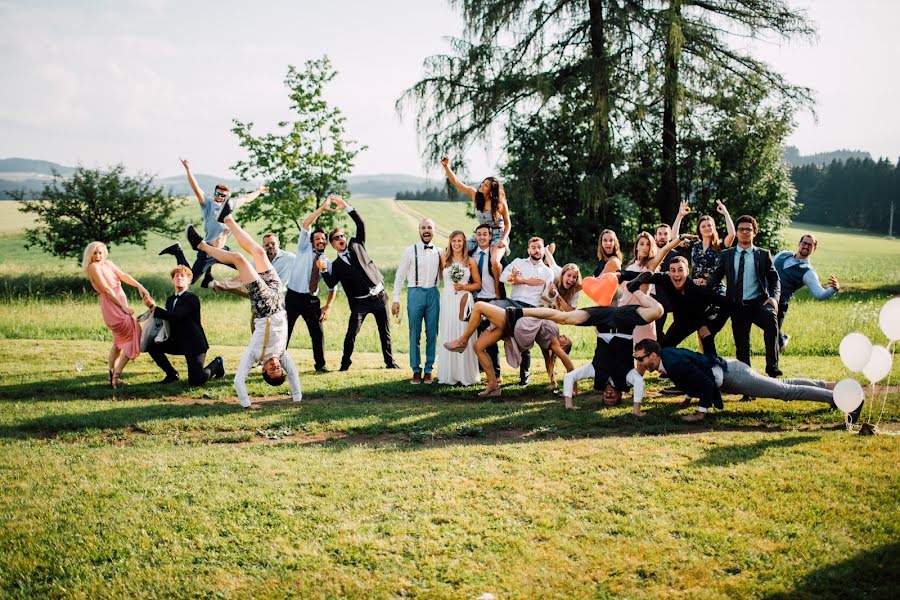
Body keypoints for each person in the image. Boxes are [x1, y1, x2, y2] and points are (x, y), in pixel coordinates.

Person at [184, 204, 301, 409]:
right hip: (278, 297)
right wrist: (297, 398)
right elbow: (293, 375)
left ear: (263, 370)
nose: (275, 365)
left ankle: (201, 246)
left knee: (239, 259)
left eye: (271, 370)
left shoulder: (253, 354)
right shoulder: (282, 354)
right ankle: (227, 218)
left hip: (264, 306)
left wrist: (247, 404)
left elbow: (239, 380)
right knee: (259, 252)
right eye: (277, 369)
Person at [633, 339, 860, 423]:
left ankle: (843, 400)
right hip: (731, 369)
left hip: (734, 377)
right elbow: (693, 372)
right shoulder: (669, 357)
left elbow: (703, 382)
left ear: (653, 356)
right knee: (785, 385)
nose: (640, 363)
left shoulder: (672, 363)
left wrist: (700, 412)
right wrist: (687, 398)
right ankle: (827, 386)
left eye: (641, 359)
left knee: (785, 392)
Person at [320, 195, 400, 371]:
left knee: (384, 332)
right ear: (333, 244)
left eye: (342, 235)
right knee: (351, 334)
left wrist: (346, 207)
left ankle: (390, 363)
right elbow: (332, 283)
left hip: (379, 296)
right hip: (360, 302)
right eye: (336, 238)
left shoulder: (357, 244)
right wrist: (324, 270)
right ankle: (344, 365)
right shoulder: (337, 265)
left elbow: (361, 224)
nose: (341, 239)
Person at [158, 157, 267, 287]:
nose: (220, 197)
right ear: (214, 193)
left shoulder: (229, 206)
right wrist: (188, 169)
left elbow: (246, 199)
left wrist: (259, 191)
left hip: (223, 251)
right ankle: (177, 251)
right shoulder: (208, 204)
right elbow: (196, 188)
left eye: (223, 195)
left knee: (244, 267)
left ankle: (209, 278)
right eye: (218, 194)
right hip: (208, 252)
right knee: (190, 280)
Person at [443, 302, 575, 398]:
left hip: (516, 323)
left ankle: (462, 341)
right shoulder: (550, 345)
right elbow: (549, 362)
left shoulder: (554, 342)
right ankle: (493, 386)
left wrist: (574, 387)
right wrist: (553, 382)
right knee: (478, 347)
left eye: (566, 340)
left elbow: (567, 362)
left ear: (563, 348)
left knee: (479, 306)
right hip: (518, 325)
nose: (564, 336)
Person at [705, 214, 782, 378]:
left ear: (754, 232)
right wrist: (703, 284)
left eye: (748, 229)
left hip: (759, 303)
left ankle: (772, 366)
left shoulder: (763, 254)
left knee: (771, 320)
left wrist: (774, 298)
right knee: (742, 346)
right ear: (737, 232)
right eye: (741, 229)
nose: (744, 232)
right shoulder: (727, 255)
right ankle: (747, 382)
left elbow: (774, 278)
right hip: (737, 306)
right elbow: (715, 277)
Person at [620, 256, 731, 356]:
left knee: (706, 337)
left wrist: (712, 327)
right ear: (669, 272)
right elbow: (645, 276)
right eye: (673, 270)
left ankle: (715, 368)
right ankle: (667, 370)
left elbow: (727, 304)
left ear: (687, 272)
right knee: (664, 348)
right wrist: (621, 274)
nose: (676, 274)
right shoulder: (666, 279)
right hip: (682, 321)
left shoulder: (699, 288)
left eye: (680, 270)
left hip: (703, 318)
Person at [84, 241, 154, 389]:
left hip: (119, 302)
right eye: (94, 253)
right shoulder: (93, 267)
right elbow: (107, 290)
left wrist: (139, 285)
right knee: (135, 334)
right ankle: (116, 374)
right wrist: (123, 307)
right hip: (113, 306)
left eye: (100, 252)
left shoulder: (108, 263)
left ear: (105, 253)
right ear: (90, 255)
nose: (97, 256)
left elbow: (123, 275)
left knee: (118, 343)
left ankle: (111, 376)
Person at [146, 265, 225, 385]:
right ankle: (172, 374)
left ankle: (217, 363)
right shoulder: (170, 299)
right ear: (172, 280)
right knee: (152, 346)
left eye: (183, 276)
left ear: (189, 280)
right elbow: (167, 319)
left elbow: (177, 316)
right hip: (177, 342)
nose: (179, 278)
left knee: (196, 381)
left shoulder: (192, 298)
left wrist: (153, 307)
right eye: (176, 276)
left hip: (194, 344)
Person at [284, 200, 338, 373]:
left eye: (323, 238)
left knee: (317, 333)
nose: (320, 240)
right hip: (292, 297)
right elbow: (306, 224)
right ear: (312, 241)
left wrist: (328, 307)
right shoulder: (303, 248)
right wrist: (322, 208)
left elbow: (332, 287)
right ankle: (277, 362)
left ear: (326, 243)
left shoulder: (327, 263)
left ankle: (320, 365)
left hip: (311, 300)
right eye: (317, 238)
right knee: (284, 331)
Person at [499, 236, 556, 385]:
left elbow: (548, 298)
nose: (536, 250)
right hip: (513, 303)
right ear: (528, 249)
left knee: (524, 339)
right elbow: (502, 277)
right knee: (493, 326)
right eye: (533, 247)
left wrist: (551, 292)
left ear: (543, 250)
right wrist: (521, 279)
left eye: (539, 247)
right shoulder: (518, 262)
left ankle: (525, 376)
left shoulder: (548, 272)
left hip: (531, 308)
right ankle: (495, 374)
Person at [392, 218, 443, 384]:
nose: (426, 230)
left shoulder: (440, 252)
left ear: (434, 230)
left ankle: (428, 369)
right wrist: (395, 299)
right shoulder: (409, 250)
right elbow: (400, 276)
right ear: (419, 230)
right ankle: (415, 369)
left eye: (429, 227)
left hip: (433, 294)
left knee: (432, 334)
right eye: (423, 228)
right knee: (415, 334)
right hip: (414, 293)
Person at [441, 156, 511, 275]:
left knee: (494, 261)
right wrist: (446, 166)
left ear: (492, 190)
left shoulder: (500, 202)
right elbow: (457, 183)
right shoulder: (475, 195)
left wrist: (504, 239)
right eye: (483, 183)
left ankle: (503, 282)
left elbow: (507, 223)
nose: (482, 186)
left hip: (497, 235)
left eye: (486, 185)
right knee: (456, 250)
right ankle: (462, 279)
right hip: (482, 234)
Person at [773, 234, 840, 351]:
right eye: (804, 243)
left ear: (814, 249)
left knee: (773, 341)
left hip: (779, 305)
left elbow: (820, 294)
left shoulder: (808, 272)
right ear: (799, 244)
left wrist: (834, 289)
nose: (806, 246)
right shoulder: (782, 254)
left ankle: (780, 343)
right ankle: (780, 339)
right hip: (762, 296)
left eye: (810, 245)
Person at [618, 232, 683, 345]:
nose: (645, 247)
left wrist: (680, 238)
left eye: (648, 244)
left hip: (643, 312)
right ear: (637, 246)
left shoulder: (650, 265)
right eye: (642, 244)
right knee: (624, 346)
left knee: (644, 348)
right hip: (625, 308)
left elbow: (664, 250)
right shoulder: (630, 265)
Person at [436, 230, 482, 386]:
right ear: (450, 242)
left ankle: (466, 374)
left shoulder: (470, 261)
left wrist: (464, 286)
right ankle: (450, 374)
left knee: (464, 331)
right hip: (448, 300)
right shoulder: (444, 259)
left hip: (464, 300)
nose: (457, 244)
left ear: (464, 243)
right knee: (449, 331)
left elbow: (478, 284)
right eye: (454, 241)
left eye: (460, 241)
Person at [205, 232, 296, 299]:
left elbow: (304, 264)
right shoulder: (260, 257)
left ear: (278, 243)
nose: (270, 246)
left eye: (273, 243)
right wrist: (232, 281)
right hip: (260, 290)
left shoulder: (289, 258)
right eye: (267, 244)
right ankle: (216, 284)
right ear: (263, 246)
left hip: (276, 294)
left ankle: (215, 284)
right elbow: (247, 273)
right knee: (257, 321)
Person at [672, 199, 735, 294]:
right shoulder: (694, 244)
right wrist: (680, 215)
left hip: (715, 287)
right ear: (699, 230)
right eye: (703, 226)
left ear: (713, 228)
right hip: (695, 285)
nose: (707, 228)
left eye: (709, 225)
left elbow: (732, 234)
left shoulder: (719, 245)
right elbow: (674, 238)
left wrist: (726, 213)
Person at [469, 224, 504, 381]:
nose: (482, 237)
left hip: (493, 301)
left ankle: (496, 375)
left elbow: (507, 273)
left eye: (485, 234)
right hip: (475, 300)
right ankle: (481, 369)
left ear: (490, 237)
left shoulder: (496, 255)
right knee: (476, 336)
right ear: (476, 236)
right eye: (479, 234)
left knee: (490, 338)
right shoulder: (470, 255)